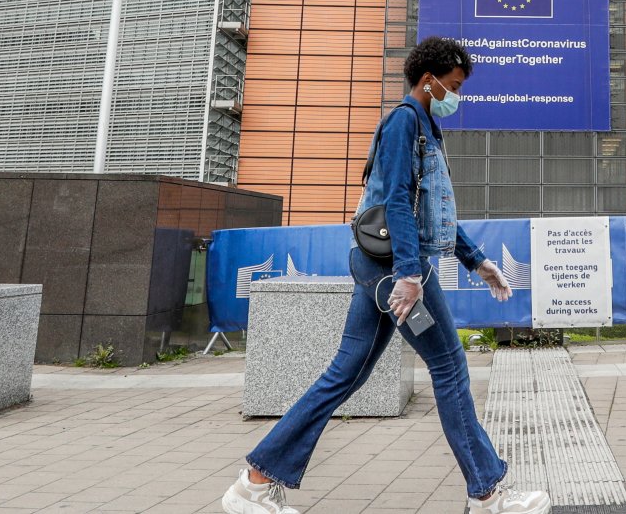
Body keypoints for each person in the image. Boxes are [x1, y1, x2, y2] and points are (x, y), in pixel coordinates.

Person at [222, 37, 552, 514]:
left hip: (387, 268)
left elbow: (429, 210)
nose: (457, 96)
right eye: (454, 86)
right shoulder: (404, 122)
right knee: (450, 368)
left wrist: (476, 260)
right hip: (394, 271)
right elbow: (396, 200)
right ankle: (488, 493)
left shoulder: (424, 126)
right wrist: (409, 274)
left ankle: (254, 482)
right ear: (429, 80)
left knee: (344, 375)